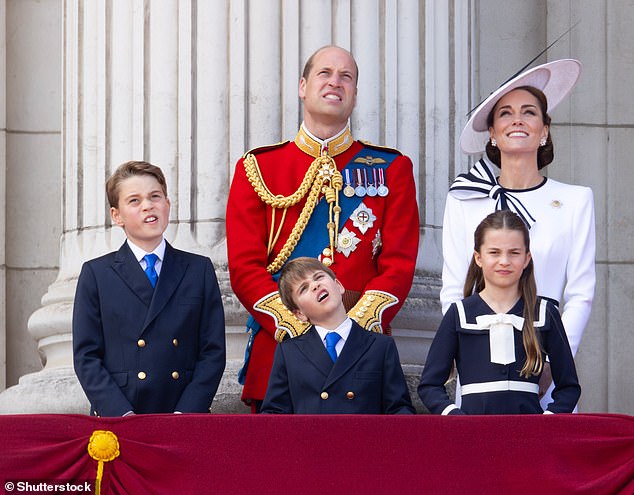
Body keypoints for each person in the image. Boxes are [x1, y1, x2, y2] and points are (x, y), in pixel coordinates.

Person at [226, 45, 419, 412]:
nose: (336, 82)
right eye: (325, 74)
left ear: (355, 94)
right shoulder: (259, 167)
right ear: (303, 86)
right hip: (283, 349)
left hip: (362, 355)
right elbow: (244, 267)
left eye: (346, 76)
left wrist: (351, 330)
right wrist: (302, 331)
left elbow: (399, 263)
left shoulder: (391, 167)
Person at [441, 59, 595, 409]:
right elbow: (453, 288)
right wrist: (469, 353)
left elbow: (581, 293)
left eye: (529, 112)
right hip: (480, 355)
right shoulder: (465, 198)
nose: (517, 120)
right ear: (492, 132)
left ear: (544, 130)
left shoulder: (575, 200)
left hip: (547, 353)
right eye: (505, 114)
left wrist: (555, 362)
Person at [73, 161, 226, 416]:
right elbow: (86, 356)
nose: (148, 205)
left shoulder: (198, 269)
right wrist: (120, 414)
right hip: (121, 417)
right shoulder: (96, 274)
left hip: (183, 415)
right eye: (134, 200)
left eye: (155, 196)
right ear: (116, 216)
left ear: (167, 204)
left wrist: (186, 413)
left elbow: (212, 351)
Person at [419, 210, 580, 414]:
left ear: (527, 258)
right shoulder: (459, 313)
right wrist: (455, 417)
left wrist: (547, 421)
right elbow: (429, 386)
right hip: (473, 438)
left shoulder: (545, 313)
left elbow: (569, 387)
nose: (504, 261)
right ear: (478, 257)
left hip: (530, 439)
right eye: (494, 252)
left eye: (514, 253)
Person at [261, 257, 414, 414]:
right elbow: (274, 415)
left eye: (319, 277)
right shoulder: (289, 353)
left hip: (364, 438)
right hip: (311, 438)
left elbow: (399, 410)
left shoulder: (380, 346)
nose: (315, 285)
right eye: (304, 288)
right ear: (299, 314)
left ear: (339, 285)